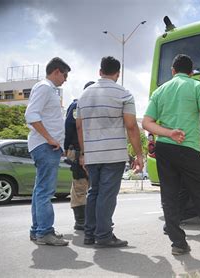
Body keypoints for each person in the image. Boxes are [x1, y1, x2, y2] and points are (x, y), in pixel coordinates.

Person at [142, 54, 200, 257]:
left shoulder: (160, 91)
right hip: (189, 149)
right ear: (192, 72)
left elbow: (147, 123)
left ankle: (178, 244)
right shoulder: (198, 87)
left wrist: (168, 133)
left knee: (169, 196)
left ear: (173, 71)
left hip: (165, 150)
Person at [76, 56, 143, 248]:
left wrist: (83, 153)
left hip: (91, 154)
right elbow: (131, 127)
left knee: (93, 192)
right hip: (113, 154)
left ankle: (89, 234)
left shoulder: (84, 95)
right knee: (107, 195)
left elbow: (79, 127)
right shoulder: (124, 94)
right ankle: (104, 235)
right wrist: (139, 154)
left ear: (99, 71)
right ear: (118, 74)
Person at [25, 57, 71, 246]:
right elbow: (31, 115)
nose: (66, 79)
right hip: (44, 146)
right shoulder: (44, 87)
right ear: (57, 71)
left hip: (46, 146)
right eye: (65, 75)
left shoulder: (48, 89)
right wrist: (50, 139)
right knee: (45, 191)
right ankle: (44, 232)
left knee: (40, 190)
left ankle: (38, 231)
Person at [64, 81, 94, 231]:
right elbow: (69, 127)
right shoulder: (77, 105)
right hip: (78, 151)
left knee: (89, 185)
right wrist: (68, 149)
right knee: (80, 184)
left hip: (91, 152)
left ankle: (86, 219)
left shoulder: (91, 106)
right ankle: (81, 220)